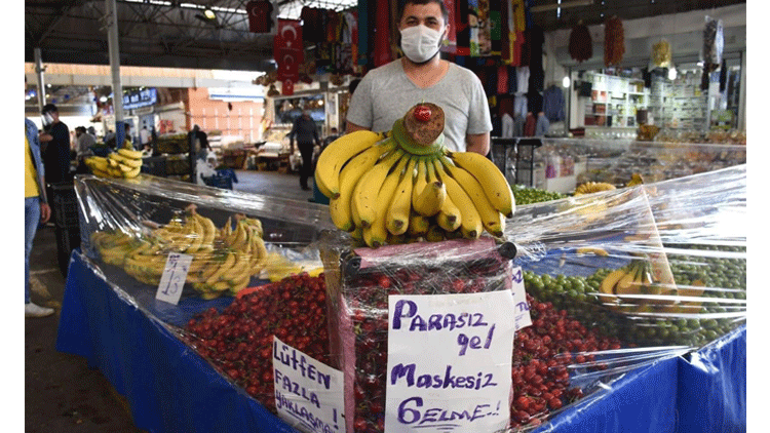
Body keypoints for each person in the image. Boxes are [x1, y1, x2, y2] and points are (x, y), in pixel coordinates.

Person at [346, 0, 492, 155]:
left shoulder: (468, 82)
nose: (421, 29)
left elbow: (480, 147)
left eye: (431, 22)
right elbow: (355, 145)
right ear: (399, 27)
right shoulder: (372, 82)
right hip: (385, 178)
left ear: (445, 31)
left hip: (448, 180)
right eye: (412, 21)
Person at [25, 117, 54, 318]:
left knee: (24, 252)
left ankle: (23, 302)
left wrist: (43, 199)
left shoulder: (29, 126)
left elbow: (38, 165)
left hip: (31, 198)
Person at [38, 103, 72, 185]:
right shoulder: (50, 128)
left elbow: (48, 138)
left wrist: (31, 139)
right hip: (50, 165)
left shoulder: (61, 127)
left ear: (56, 114)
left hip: (59, 167)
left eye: (48, 115)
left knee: (58, 190)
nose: (46, 118)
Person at [289, 110, 320, 191]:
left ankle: (304, 181)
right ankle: (303, 183)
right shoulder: (298, 121)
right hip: (302, 143)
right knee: (306, 162)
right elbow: (292, 133)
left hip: (310, 143)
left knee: (308, 163)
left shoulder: (311, 120)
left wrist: (318, 142)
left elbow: (315, 132)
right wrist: (291, 145)